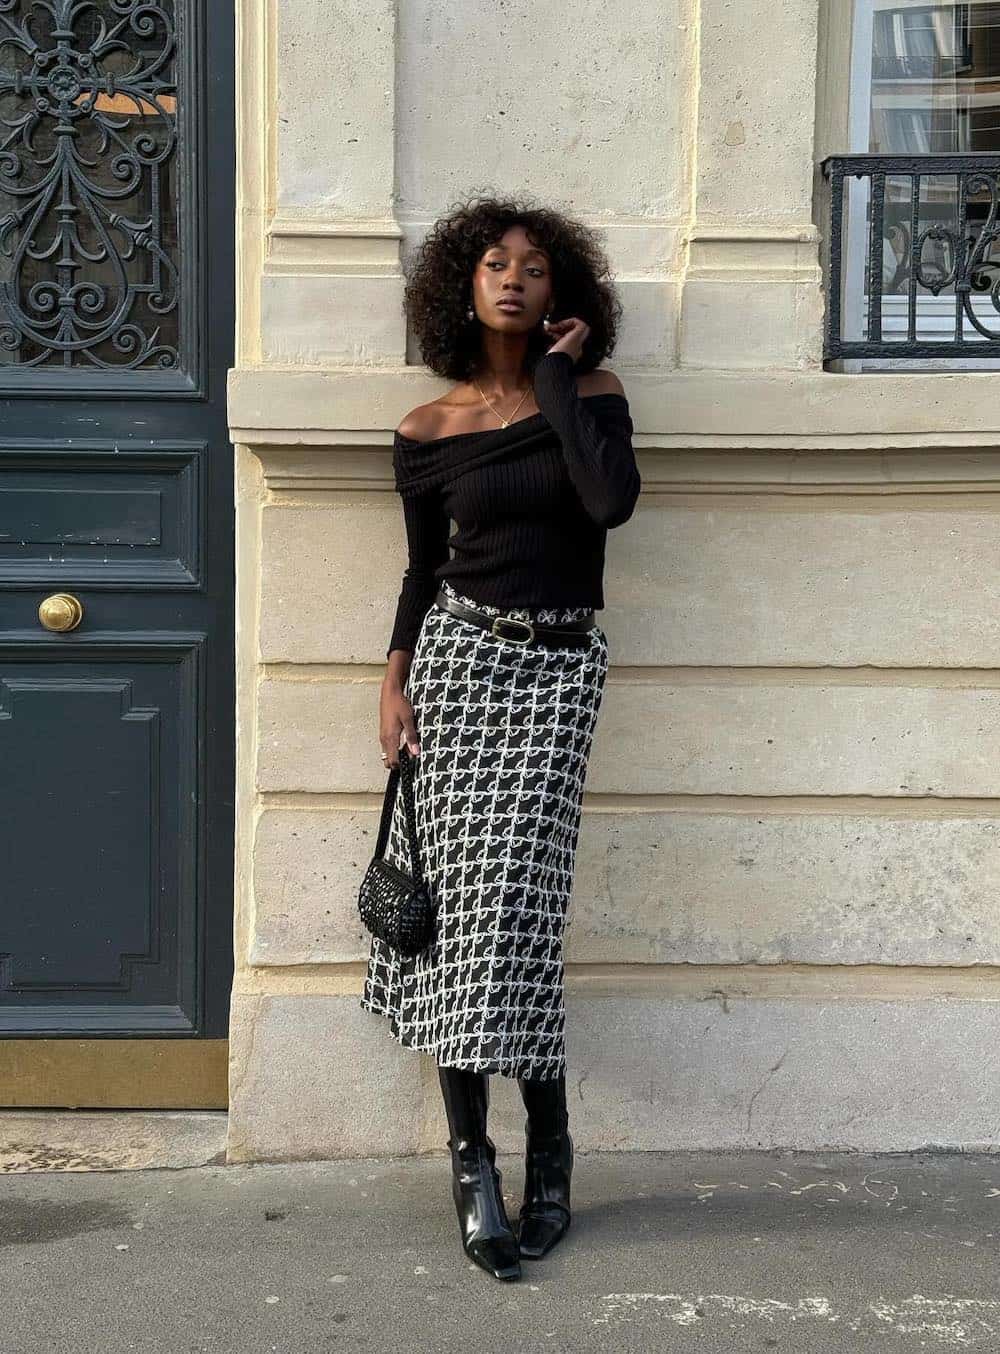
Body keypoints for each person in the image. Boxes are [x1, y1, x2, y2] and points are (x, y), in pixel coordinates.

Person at [359, 191, 641, 1282]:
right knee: (463, 925)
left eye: (533, 264)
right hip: (457, 665)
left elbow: (608, 504)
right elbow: (418, 570)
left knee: (514, 911)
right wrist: (391, 680)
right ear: (462, 286)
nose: (513, 277)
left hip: (558, 671)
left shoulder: (593, 393)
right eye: (493, 263)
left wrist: (563, 380)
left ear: (559, 290)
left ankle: (553, 1153)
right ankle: (475, 1162)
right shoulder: (426, 433)